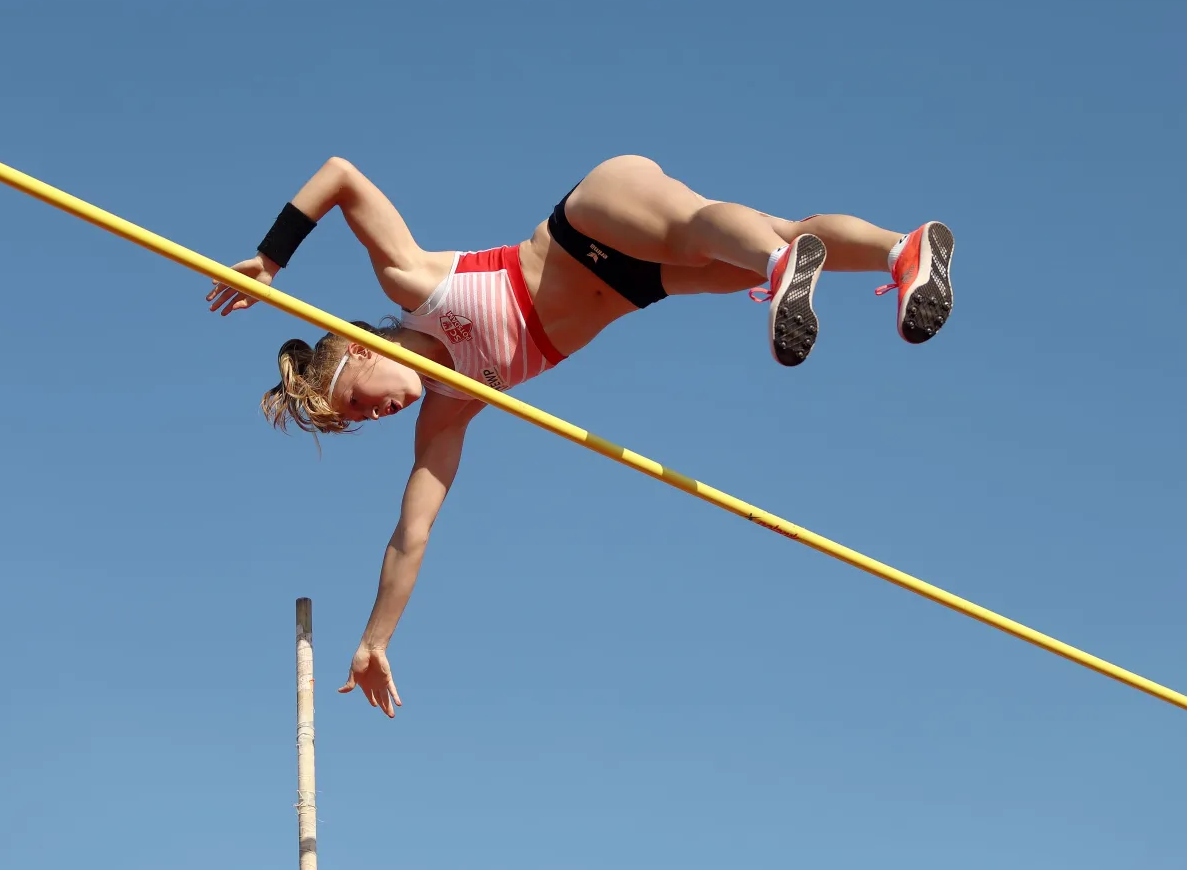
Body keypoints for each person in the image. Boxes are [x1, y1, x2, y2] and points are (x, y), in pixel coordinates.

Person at [205, 154, 955, 718]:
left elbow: (340, 176)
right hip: (633, 288)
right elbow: (412, 533)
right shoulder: (450, 409)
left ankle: (778, 265)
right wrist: (376, 638)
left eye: (357, 402)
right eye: (360, 424)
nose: (374, 417)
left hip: (590, 220)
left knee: (704, 229)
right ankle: (901, 251)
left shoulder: (413, 286)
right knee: (771, 237)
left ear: (360, 349)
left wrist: (272, 257)